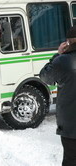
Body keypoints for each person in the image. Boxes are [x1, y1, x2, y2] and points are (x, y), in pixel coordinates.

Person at [40, 26, 76, 166]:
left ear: (68, 42)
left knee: (71, 160)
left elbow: (45, 77)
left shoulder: (63, 61)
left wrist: (58, 55)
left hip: (71, 125)